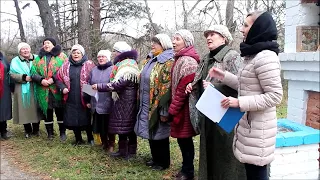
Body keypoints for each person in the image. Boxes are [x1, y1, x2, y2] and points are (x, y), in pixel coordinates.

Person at [208, 11, 283, 180]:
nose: (242, 29)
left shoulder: (266, 57)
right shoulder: (252, 55)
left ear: (258, 28)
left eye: (246, 25)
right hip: (249, 127)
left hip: (259, 130)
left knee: (257, 174)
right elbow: (247, 85)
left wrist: (239, 102)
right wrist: (223, 76)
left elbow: (275, 96)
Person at [186, 25, 246, 180]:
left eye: (213, 34)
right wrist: (192, 86)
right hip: (208, 114)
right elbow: (201, 82)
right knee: (209, 153)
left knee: (225, 157)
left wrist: (217, 87)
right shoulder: (206, 58)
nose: (208, 38)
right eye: (207, 35)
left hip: (226, 116)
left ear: (224, 38)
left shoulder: (232, 57)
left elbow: (243, 86)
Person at [135, 34, 174, 170]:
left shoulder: (168, 61)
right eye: (152, 42)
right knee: (150, 130)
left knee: (160, 133)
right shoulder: (151, 59)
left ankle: (163, 162)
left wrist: (164, 110)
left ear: (164, 44)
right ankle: (155, 158)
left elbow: (166, 87)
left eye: (156, 43)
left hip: (158, 104)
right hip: (146, 102)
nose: (153, 45)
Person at [94, 41, 139, 159]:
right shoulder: (121, 65)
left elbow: (119, 84)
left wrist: (99, 86)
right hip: (121, 101)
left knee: (128, 127)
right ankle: (122, 150)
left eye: (114, 51)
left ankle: (132, 151)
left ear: (120, 52)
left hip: (127, 101)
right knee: (122, 127)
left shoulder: (128, 66)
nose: (113, 53)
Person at [169, 29, 200, 180]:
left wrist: (173, 108)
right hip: (179, 105)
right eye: (173, 39)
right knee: (182, 139)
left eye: (177, 39)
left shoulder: (188, 61)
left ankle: (188, 171)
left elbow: (184, 88)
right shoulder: (179, 58)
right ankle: (185, 168)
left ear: (186, 42)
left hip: (186, 107)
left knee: (185, 139)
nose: (173, 42)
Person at [55, 44, 96, 145]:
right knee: (72, 119)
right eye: (74, 52)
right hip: (70, 97)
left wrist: (90, 99)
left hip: (85, 96)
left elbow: (94, 80)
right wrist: (63, 88)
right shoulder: (66, 65)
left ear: (82, 54)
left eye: (78, 53)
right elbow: (57, 78)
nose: (76, 54)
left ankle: (90, 138)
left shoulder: (89, 64)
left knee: (86, 118)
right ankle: (78, 139)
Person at [31, 37, 67, 141]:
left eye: (49, 43)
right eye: (45, 43)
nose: (46, 45)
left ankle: (62, 133)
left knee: (60, 111)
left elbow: (64, 70)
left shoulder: (62, 56)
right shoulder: (38, 58)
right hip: (43, 89)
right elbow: (33, 72)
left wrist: (52, 80)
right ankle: (50, 133)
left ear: (54, 45)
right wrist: (41, 80)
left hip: (57, 88)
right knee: (47, 112)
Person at [10, 42, 41, 138]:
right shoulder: (15, 61)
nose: (25, 50)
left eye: (27, 48)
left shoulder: (37, 58)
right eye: (23, 49)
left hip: (36, 86)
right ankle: (28, 130)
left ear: (30, 49)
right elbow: (11, 74)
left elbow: (43, 70)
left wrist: (36, 77)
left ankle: (36, 130)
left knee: (36, 108)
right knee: (24, 108)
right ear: (19, 51)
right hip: (22, 87)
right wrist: (23, 77)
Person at [88, 50, 115, 152]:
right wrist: (88, 100)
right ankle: (104, 142)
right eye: (99, 57)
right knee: (99, 124)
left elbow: (114, 85)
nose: (101, 58)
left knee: (109, 125)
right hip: (95, 102)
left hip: (108, 102)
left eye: (103, 56)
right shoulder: (94, 70)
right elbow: (88, 85)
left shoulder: (113, 69)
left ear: (108, 58)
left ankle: (111, 143)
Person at [0, 51, 13, 140]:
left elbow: (9, 72)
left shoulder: (3, 58)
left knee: (3, 109)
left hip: (3, 88)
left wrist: (12, 87)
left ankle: (3, 131)